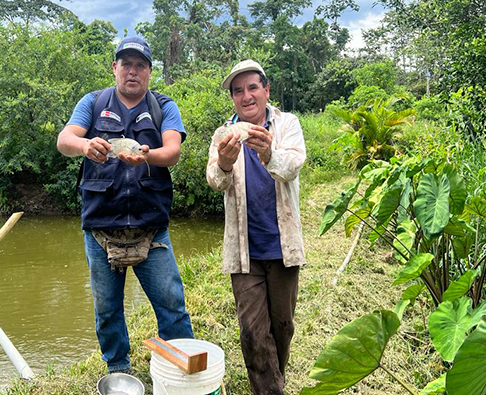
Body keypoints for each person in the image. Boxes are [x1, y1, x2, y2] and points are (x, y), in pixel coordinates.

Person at [56, 37, 193, 374]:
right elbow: (65, 140)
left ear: (149, 72)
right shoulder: (92, 102)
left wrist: (146, 156)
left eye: (140, 65)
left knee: (172, 304)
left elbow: (172, 152)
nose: (133, 71)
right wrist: (86, 145)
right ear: (114, 68)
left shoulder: (164, 106)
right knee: (107, 309)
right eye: (126, 64)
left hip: (152, 226)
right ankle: (118, 370)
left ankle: (183, 368)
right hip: (101, 228)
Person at [205, 59, 306, 394]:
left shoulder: (287, 124)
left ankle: (274, 380)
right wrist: (224, 161)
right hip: (244, 251)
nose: (246, 96)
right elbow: (214, 180)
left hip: (283, 247)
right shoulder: (224, 134)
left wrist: (268, 153)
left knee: (282, 327)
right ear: (233, 98)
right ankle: (270, 389)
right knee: (252, 332)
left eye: (252, 88)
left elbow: (292, 167)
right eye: (238, 91)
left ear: (266, 90)